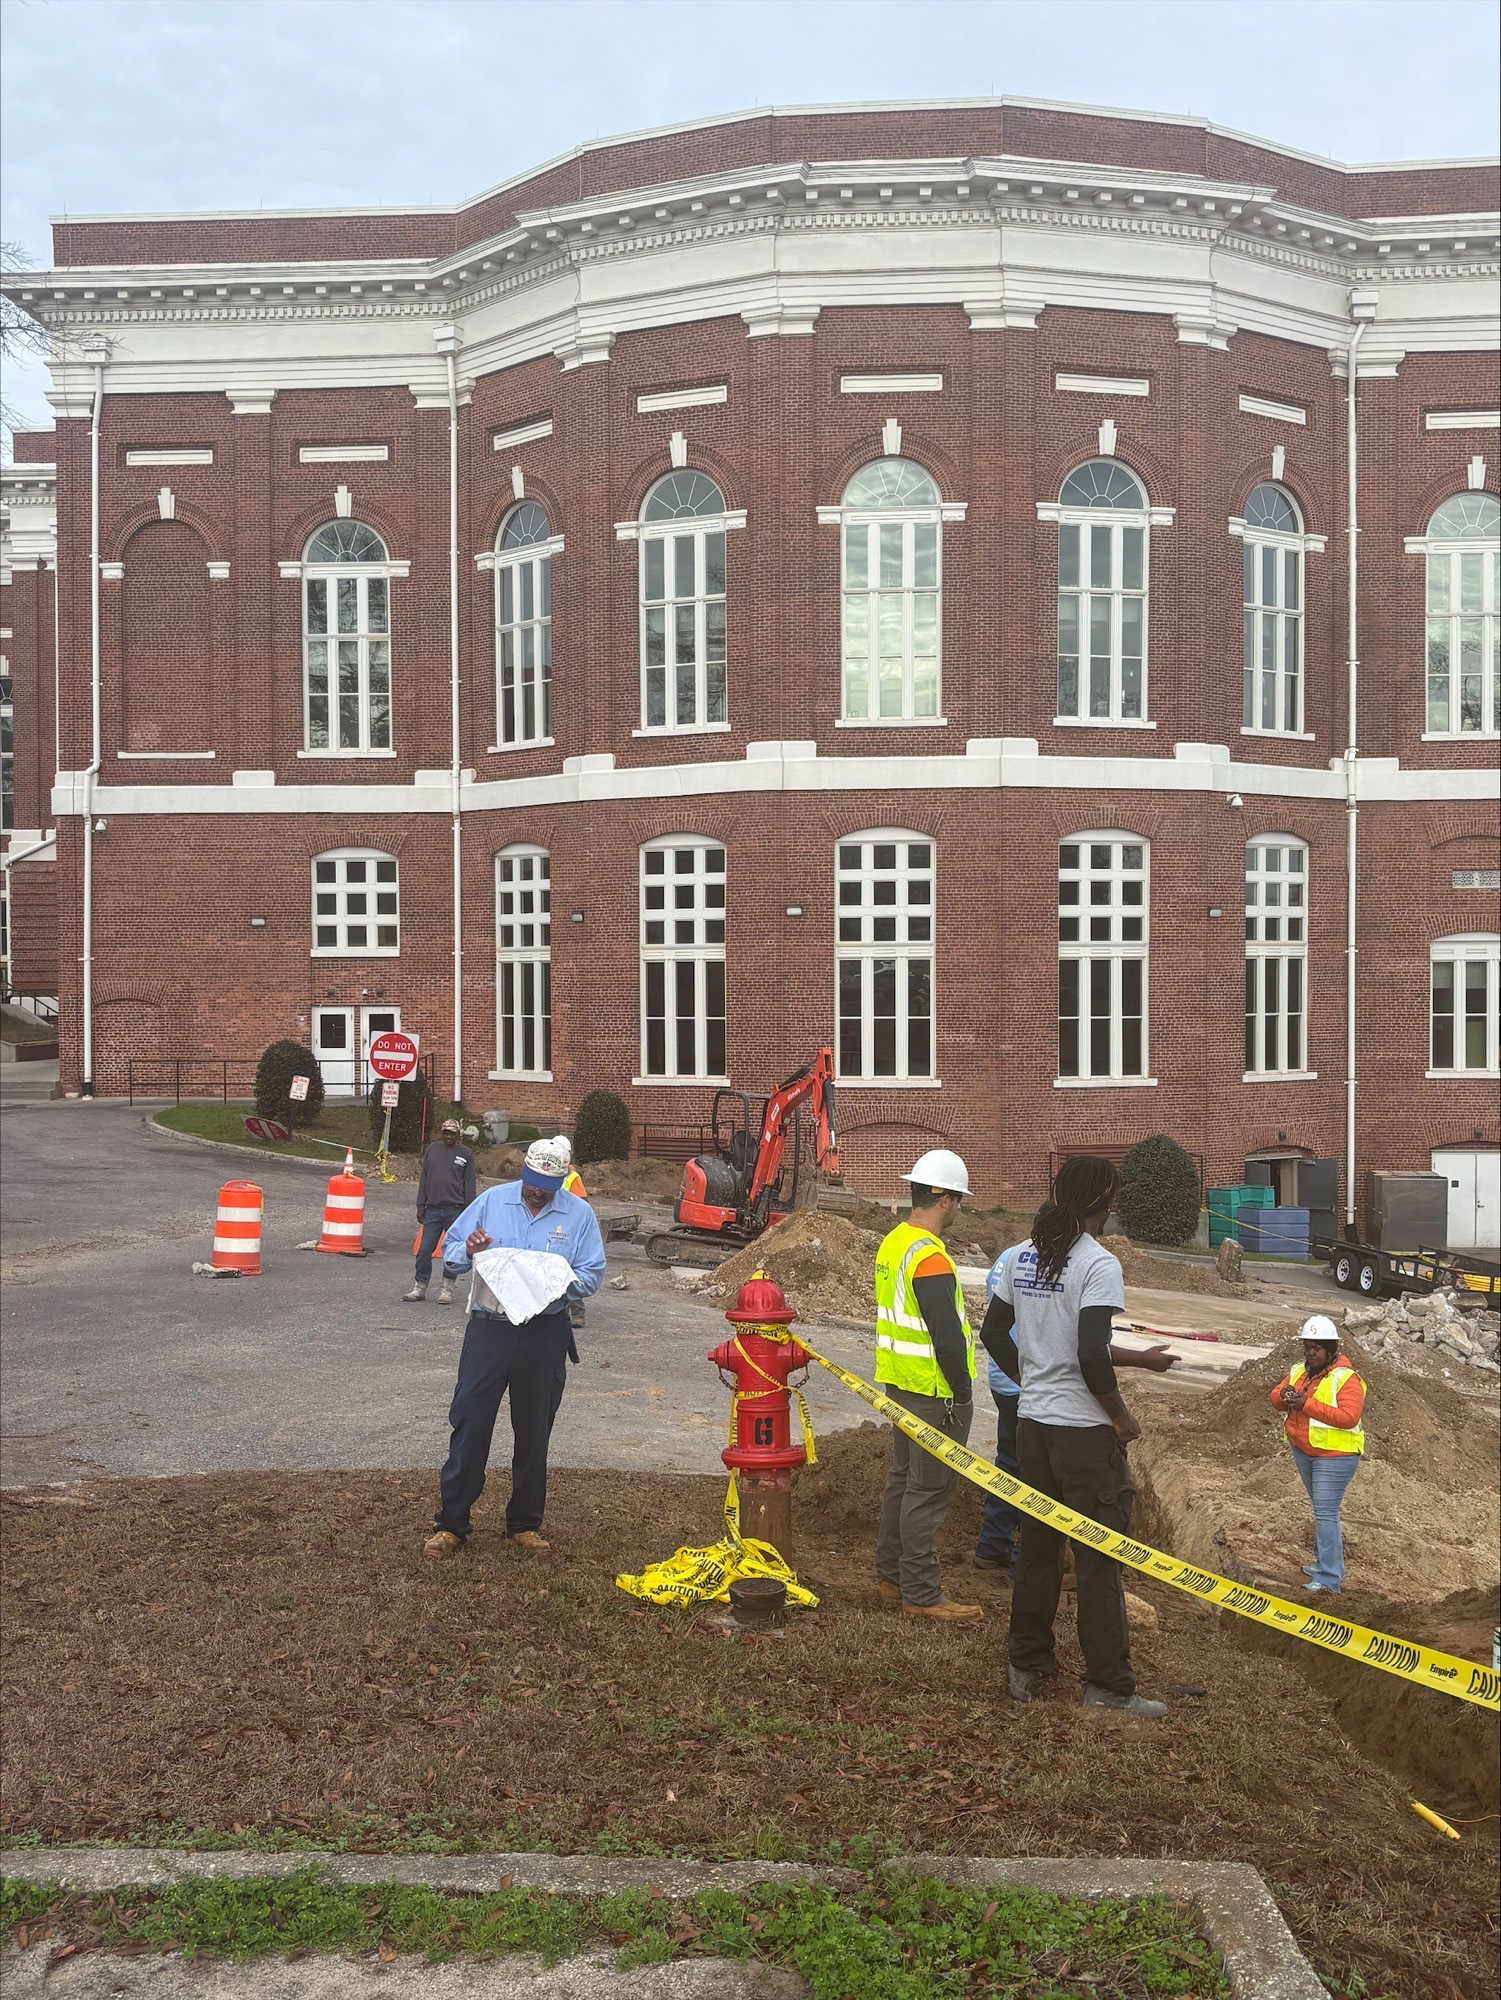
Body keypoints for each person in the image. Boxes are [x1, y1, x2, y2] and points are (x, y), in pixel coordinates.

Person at [982, 1155, 1175, 1718]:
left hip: (1033, 1428)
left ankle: (1028, 1665)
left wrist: (1030, 1378)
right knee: (1097, 1562)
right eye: (1112, 1197)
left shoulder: (1022, 1257)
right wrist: (1120, 1417)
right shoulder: (1097, 1264)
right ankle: (1110, 1688)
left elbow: (995, 1331)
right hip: (1085, 1438)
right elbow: (1091, 1352)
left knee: (1038, 1553)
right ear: (1103, 1202)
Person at [423, 1136, 606, 1558]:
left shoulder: (579, 1214)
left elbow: (592, 1274)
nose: (536, 1190)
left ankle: (523, 1524)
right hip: (490, 1328)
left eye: (547, 1183)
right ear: (522, 1171)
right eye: (531, 1180)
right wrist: (467, 1252)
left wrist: (550, 1277)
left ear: (563, 1178)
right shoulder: (493, 1201)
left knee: (534, 1426)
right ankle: (452, 1524)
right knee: (470, 1419)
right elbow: (450, 1248)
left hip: (544, 1333)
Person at [873, 1148, 983, 1622]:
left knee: (902, 1482)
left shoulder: (894, 1243)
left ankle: (890, 1580)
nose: (959, 1208)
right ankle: (922, 1594)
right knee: (928, 1492)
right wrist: (962, 1392)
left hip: (900, 1384)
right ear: (945, 1200)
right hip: (934, 1394)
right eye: (958, 1200)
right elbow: (946, 1335)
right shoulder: (930, 1257)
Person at [1269, 1314, 1366, 1594]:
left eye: (1316, 1349)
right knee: (1322, 1511)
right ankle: (1323, 1564)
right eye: (1307, 1347)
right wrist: (1284, 1395)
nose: (1310, 1354)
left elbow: (1348, 1417)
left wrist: (1305, 1404)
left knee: (1325, 1513)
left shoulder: (1346, 1379)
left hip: (1336, 1455)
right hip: (1305, 1450)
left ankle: (1329, 1579)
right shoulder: (1300, 1370)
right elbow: (1274, 1397)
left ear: (1331, 1350)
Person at [972, 1246, 1023, 1579]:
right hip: (1028, 1381)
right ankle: (1027, 1561)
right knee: (1038, 1475)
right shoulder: (1049, 1261)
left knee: (1009, 1463)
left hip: (1004, 1377)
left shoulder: (1009, 1256)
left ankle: (993, 1546)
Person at [405, 1118, 478, 1304]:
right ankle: (420, 1287)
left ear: (458, 1135)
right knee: (424, 1250)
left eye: (452, 1133)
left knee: (452, 1252)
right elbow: (425, 1178)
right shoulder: (432, 1150)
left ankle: (447, 1288)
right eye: (445, 1132)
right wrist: (420, 1205)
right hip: (433, 1210)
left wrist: (469, 1213)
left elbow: (469, 1184)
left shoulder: (466, 1154)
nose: (448, 1136)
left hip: (456, 1210)